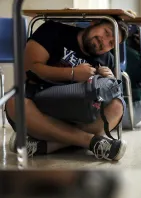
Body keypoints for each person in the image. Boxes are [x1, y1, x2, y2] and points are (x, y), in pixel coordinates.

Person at [5, 19, 129, 161]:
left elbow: (114, 95)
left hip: (79, 113)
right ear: (93, 23)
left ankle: (49, 145)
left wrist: (109, 81)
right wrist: (72, 73)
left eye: (111, 44)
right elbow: (28, 68)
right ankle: (91, 142)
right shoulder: (53, 30)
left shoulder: (108, 59)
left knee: (117, 106)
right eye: (106, 32)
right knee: (15, 102)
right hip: (41, 105)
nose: (104, 42)